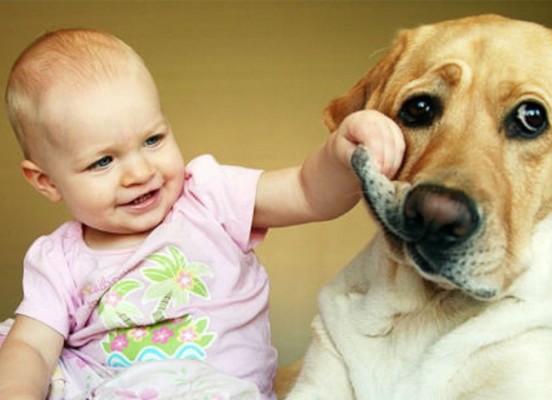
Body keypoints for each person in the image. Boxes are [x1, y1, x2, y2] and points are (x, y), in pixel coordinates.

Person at [0, 28, 404, 399]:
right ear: (46, 181)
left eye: (153, 139)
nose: (141, 172)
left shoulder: (209, 197)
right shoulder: (59, 259)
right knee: (12, 347)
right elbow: (33, 345)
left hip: (214, 392)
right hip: (103, 390)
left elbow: (307, 192)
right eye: (103, 161)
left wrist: (342, 153)